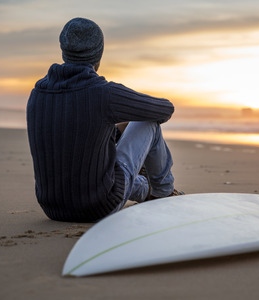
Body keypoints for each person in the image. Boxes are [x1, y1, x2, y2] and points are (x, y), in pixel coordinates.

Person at [26, 17, 183, 222]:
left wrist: (114, 130)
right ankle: (164, 193)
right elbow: (164, 109)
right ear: (98, 55)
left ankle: (146, 190)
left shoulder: (37, 93)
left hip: (53, 208)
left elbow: (74, 138)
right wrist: (121, 119)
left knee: (108, 170)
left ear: (64, 52)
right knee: (147, 122)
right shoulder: (104, 93)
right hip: (98, 207)